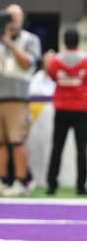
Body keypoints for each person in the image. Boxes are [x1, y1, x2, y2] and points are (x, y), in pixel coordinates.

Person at [0, 4, 41, 197]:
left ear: (22, 20)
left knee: (17, 141)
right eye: (9, 17)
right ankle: (1, 181)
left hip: (17, 97)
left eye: (16, 17)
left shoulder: (30, 40)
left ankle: (19, 181)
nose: (13, 21)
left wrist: (9, 43)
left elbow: (27, 63)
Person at [45, 28, 87, 195]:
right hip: (81, 109)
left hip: (62, 108)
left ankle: (52, 185)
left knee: (57, 147)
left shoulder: (55, 60)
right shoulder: (85, 60)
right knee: (81, 148)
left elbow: (52, 76)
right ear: (78, 41)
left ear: (65, 41)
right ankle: (80, 186)